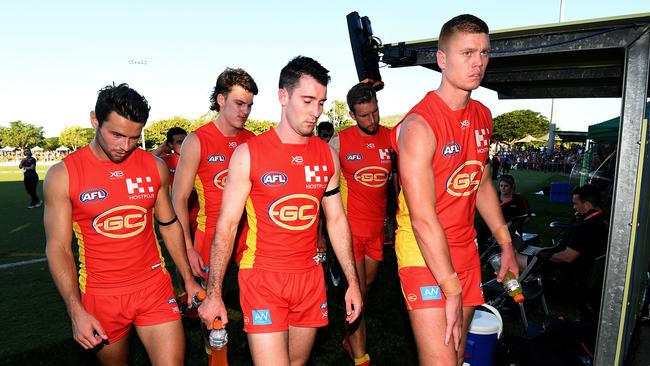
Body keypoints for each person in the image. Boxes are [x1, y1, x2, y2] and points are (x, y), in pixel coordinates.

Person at [198, 56, 363, 366]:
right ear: (283, 96)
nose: (316, 111)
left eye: (322, 102)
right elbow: (227, 225)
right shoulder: (249, 154)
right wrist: (214, 292)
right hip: (262, 278)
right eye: (308, 100)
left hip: (310, 278)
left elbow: (337, 220)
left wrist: (352, 281)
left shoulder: (327, 156)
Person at [390, 15, 519, 365]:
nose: (478, 62)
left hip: (464, 247)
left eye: (484, 52)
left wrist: (505, 243)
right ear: (442, 59)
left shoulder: (482, 115)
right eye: (466, 53)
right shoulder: (419, 125)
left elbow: (481, 182)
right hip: (423, 249)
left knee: (458, 354)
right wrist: (449, 285)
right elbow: (421, 218)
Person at [44, 83, 202, 365]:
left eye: (133, 137)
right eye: (116, 134)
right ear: (95, 120)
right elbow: (58, 248)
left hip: (154, 287)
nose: (124, 146)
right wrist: (75, 311)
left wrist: (188, 279)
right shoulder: (63, 175)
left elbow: (168, 224)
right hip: (101, 296)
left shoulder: (154, 167)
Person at [329, 81, 393, 365]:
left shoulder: (392, 138)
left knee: (366, 288)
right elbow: (322, 192)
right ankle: (360, 355)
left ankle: (349, 336)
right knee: (357, 292)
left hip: (376, 231)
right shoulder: (339, 142)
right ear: (353, 115)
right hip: (349, 231)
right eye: (364, 115)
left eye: (375, 112)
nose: (372, 120)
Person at [172, 67, 258, 278]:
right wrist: (188, 248)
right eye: (239, 104)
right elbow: (179, 198)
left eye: (249, 105)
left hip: (247, 231)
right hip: (210, 232)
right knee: (202, 303)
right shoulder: (196, 140)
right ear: (221, 99)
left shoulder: (252, 140)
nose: (245, 111)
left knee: (257, 298)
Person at [516, 184, 608, 318]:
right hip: (573, 268)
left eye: (576, 204)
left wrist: (543, 254)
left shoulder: (587, 227)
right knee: (525, 251)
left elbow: (567, 257)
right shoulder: (599, 220)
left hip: (561, 269)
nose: (574, 207)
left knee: (510, 257)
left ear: (587, 205)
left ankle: (513, 297)